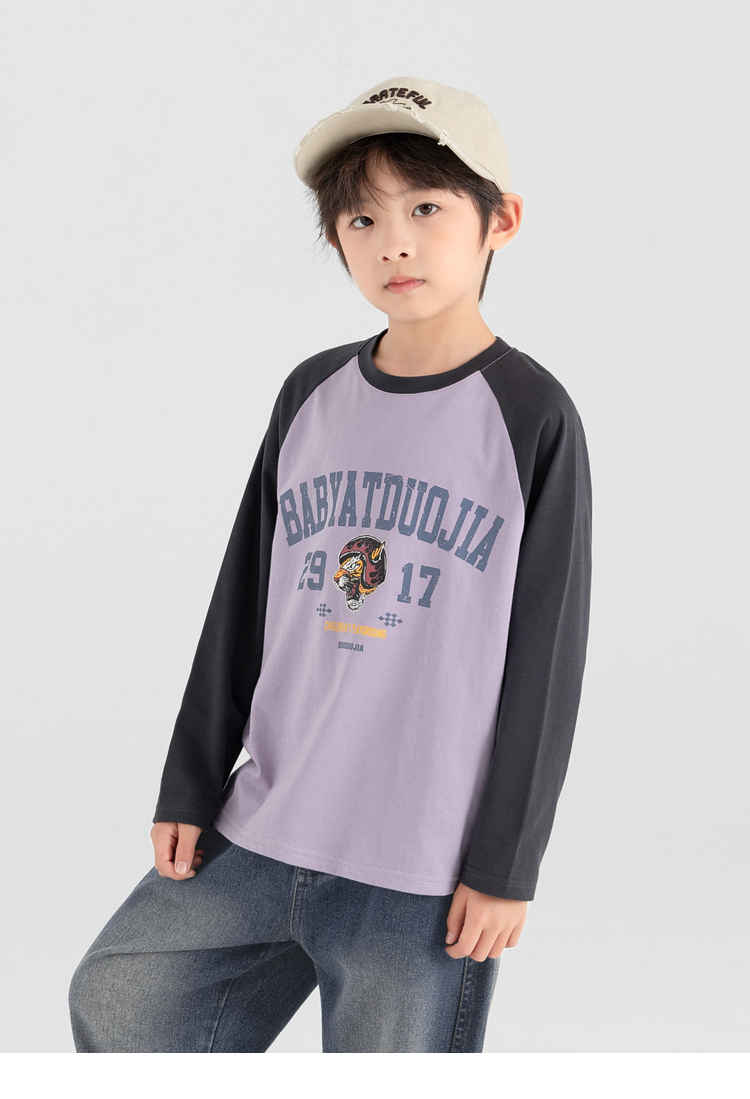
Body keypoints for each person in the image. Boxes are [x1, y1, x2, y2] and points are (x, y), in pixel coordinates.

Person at [69, 76, 592, 1054]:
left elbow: (546, 661)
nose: (394, 242)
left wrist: (505, 862)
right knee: (123, 1000)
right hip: (269, 819)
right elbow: (243, 599)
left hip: (420, 858)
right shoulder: (311, 392)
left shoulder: (531, 414)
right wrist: (191, 782)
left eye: (426, 208)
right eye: (362, 219)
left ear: (501, 220)